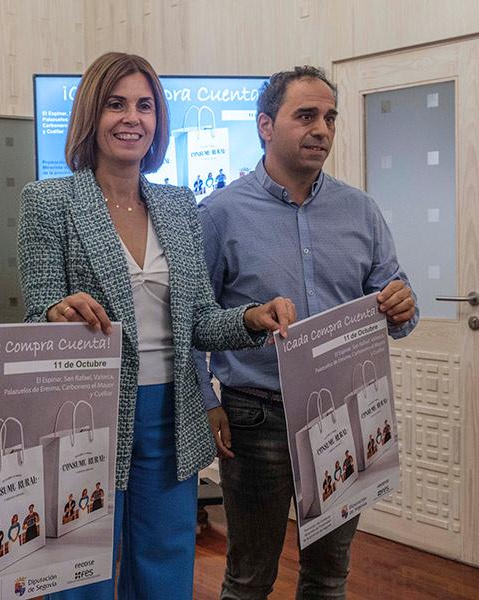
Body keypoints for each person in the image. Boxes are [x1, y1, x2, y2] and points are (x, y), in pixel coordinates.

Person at [17, 51, 295, 600]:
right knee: (80, 573)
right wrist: (57, 313)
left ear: (158, 120)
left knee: (165, 566)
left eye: (144, 106)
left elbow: (200, 321)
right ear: (91, 114)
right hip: (85, 414)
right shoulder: (49, 201)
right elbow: (38, 313)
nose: (132, 118)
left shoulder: (178, 205)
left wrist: (250, 318)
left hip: (171, 412)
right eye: (116, 104)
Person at [194, 65, 418, 600]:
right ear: (265, 125)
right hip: (257, 419)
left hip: (345, 411)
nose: (322, 129)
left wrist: (402, 305)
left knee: (329, 578)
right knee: (249, 581)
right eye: (306, 116)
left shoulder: (361, 211)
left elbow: (398, 306)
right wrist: (206, 400)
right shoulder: (219, 214)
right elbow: (192, 322)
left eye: (330, 117)